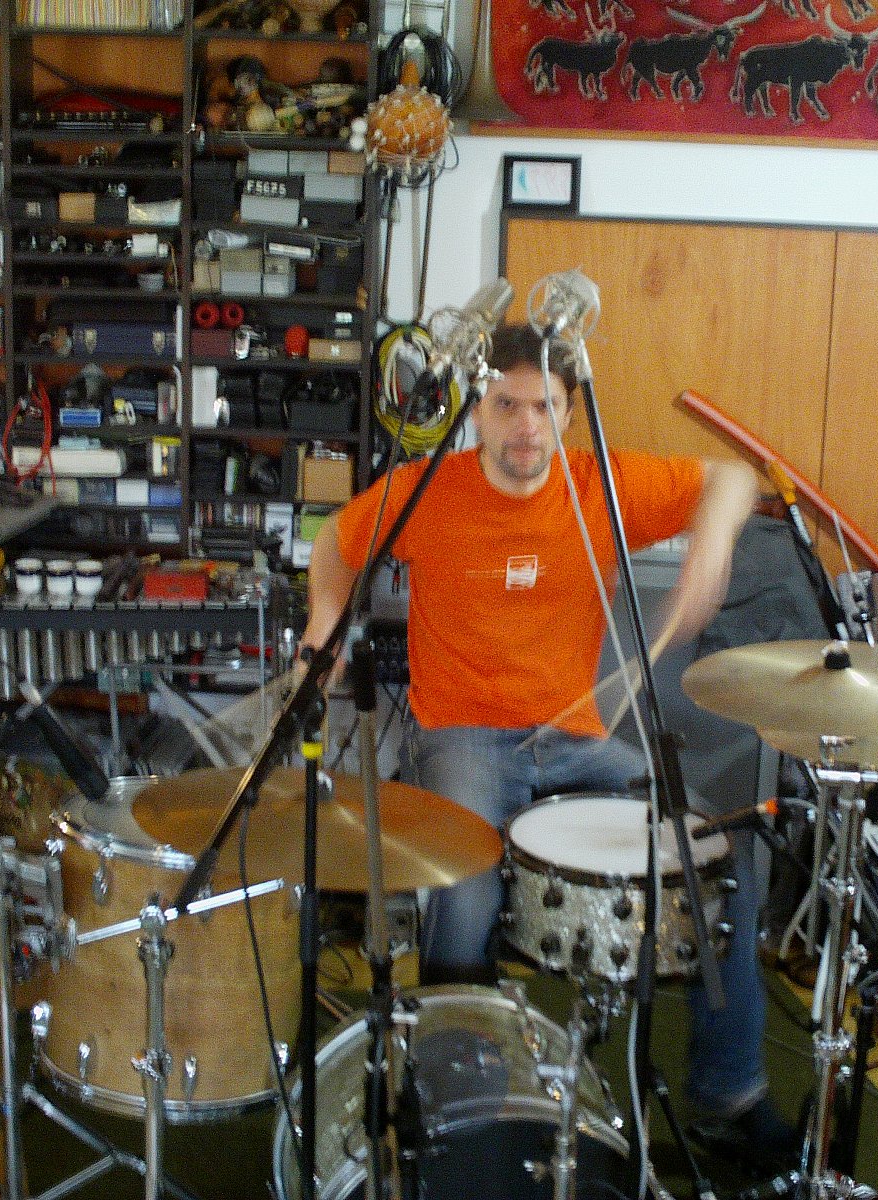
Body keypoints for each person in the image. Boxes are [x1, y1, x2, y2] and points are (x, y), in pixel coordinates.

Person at [302, 324, 795, 1169]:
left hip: (575, 741)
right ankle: (459, 1096)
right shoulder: (427, 491)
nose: (526, 426)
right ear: (476, 412)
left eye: (545, 406)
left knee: (718, 854)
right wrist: (323, 621)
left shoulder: (599, 483)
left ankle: (728, 1091)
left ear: (569, 413)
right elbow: (334, 544)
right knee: (464, 890)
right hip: (461, 735)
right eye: (506, 406)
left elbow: (734, 476)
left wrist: (710, 545)